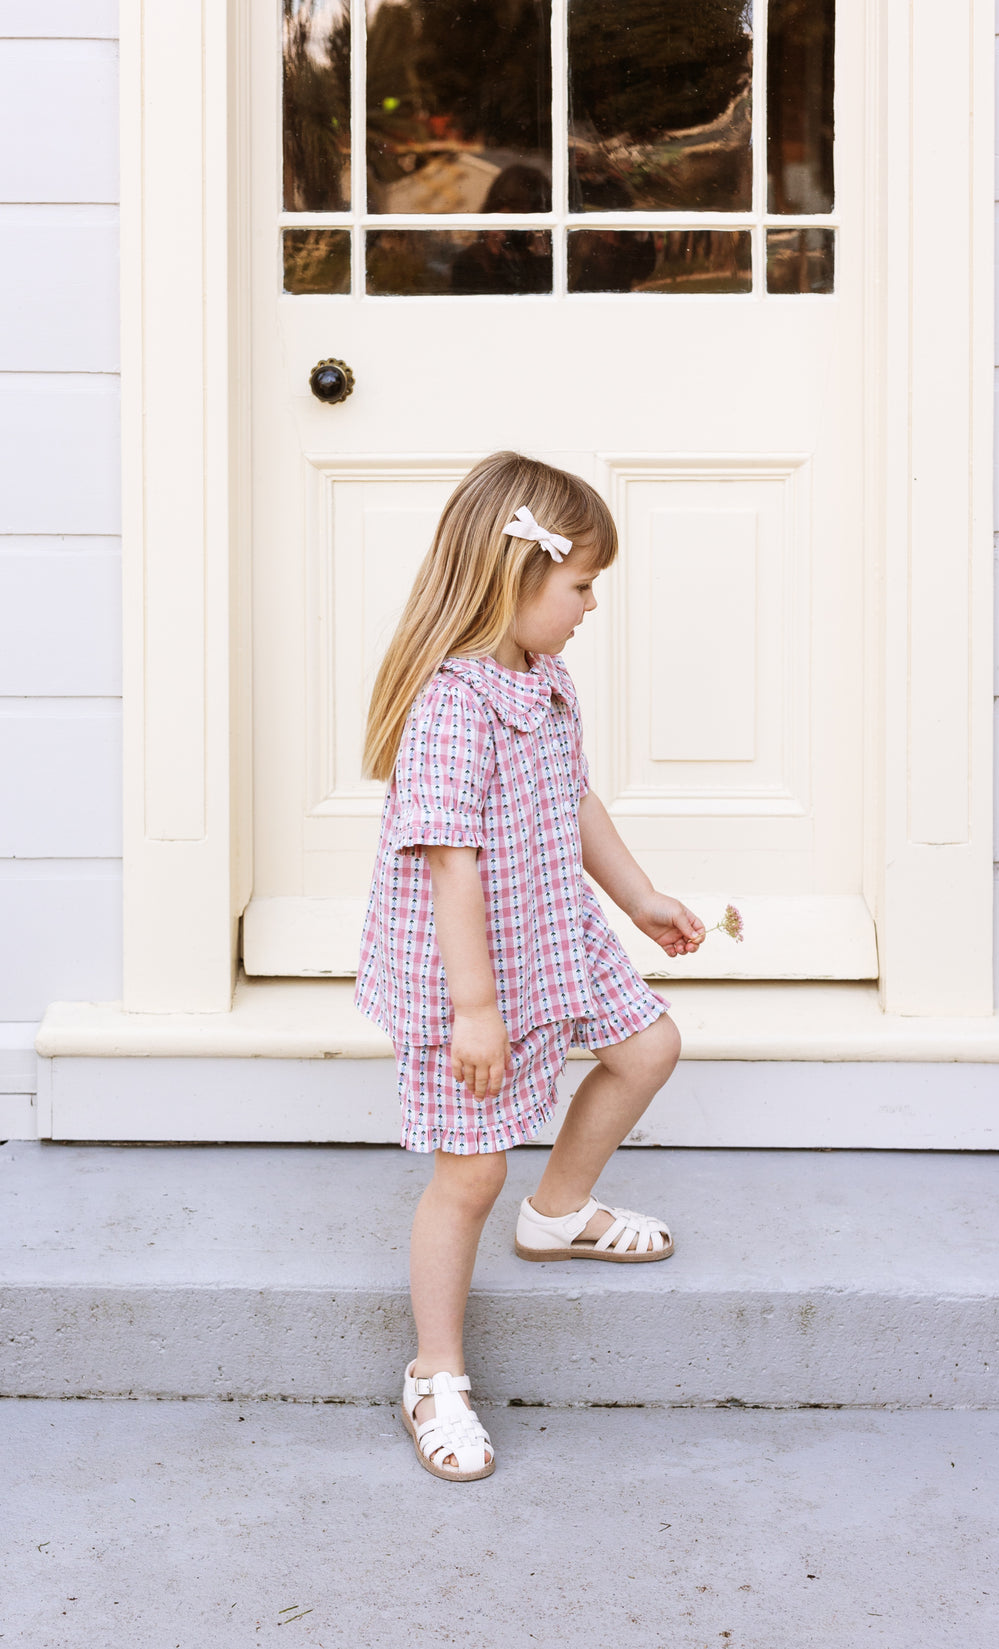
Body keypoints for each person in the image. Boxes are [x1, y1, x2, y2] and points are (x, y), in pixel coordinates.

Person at [355, 451, 706, 1482]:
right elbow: (446, 860)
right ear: (516, 576)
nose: (591, 606)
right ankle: (433, 1371)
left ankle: (557, 1212)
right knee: (468, 1171)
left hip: (554, 925)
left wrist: (637, 896)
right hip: (473, 964)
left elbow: (575, 798)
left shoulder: (541, 679)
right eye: (581, 584)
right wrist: (474, 1009)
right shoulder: (452, 706)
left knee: (647, 1044)